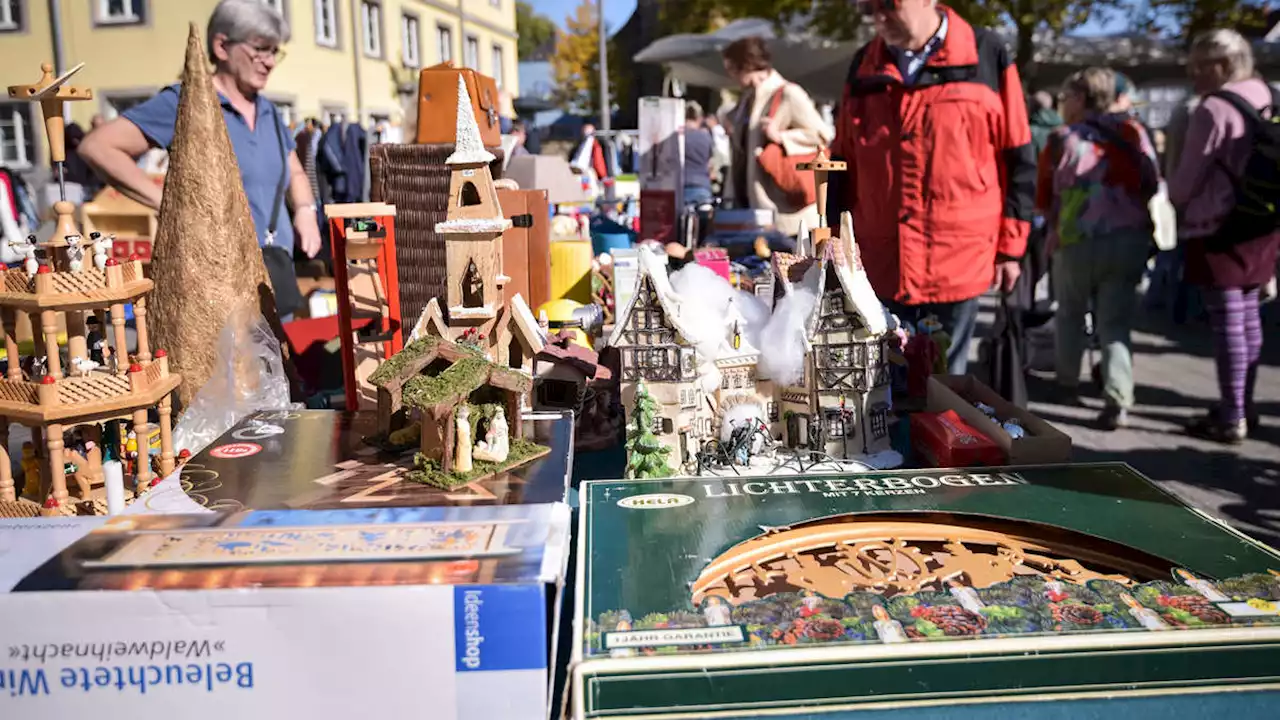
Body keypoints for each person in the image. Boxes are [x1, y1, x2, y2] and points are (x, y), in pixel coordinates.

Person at [830, 0, 1035, 375]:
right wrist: (832, 240)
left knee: (945, 390)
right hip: (882, 259)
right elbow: (843, 160)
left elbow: (1018, 157)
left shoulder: (986, 53)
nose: (878, 18)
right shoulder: (864, 64)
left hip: (958, 259)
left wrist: (1011, 249)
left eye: (888, 6)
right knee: (884, 385)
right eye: (867, 9)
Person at [79, 0, 320, 318]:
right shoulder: (186, 103)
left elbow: (295, 173)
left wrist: (305, 210)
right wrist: (169, 205)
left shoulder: (270, 112)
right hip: (220, 288)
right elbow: (98, 146)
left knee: (281, 364)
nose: (270, 62)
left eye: (275, 51)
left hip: (274, 276)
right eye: (261, 49)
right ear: (222, 46)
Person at [1170, 29, 1280, 443]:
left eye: (1199, 66)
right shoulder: (1268, 94)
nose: (1194, 75)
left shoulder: (1213, 108)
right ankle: (1245, 404)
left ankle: (1232, 414)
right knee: (1251, 318)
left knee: (1228, 324)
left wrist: (1175, 202)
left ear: (1222, 65)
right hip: (1263, 223)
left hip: (1217, 227)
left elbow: (1185, 182)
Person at [1037, 67, 1159, 430]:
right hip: (1128, 239)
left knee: (1071, 314)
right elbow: (1152, 181)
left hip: (1076, 240)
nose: (1062, 104)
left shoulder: (1062, 138)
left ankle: (1067, 384)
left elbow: (1044, 198)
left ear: (1081, 98)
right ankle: (1117, 398)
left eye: (1066, 97)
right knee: (1115, 323)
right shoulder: (1132, 132)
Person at [720, 36, 831, 235]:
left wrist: (781, 137)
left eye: (732, 69)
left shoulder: (788, 93)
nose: (730, 76)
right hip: (753, 211)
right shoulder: (747, 99)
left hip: (787, 214)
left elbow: (822, 135)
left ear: (746, 65)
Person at [681, 101, 714, 207]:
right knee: (704, 221)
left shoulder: (678, 138)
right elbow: (710, 162)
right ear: (699, 118)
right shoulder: (706, 137)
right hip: (702, 186)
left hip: (682, 186)